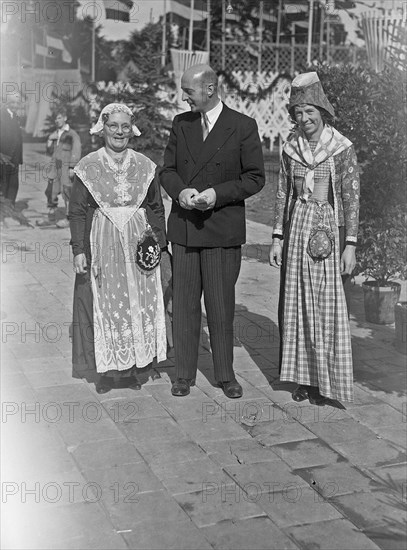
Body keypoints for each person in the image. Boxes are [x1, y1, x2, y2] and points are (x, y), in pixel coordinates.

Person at [160, 64, 265, 398]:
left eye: (188, 91)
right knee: (185, 305)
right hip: (186, 228)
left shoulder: (243, 126)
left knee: (220, 306)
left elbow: (255, 177)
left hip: (221, 229)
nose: (183, 97)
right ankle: (183, 374)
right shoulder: (181, 123)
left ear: (208, 88)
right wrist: (181, 192)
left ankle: (225, 374)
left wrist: (217, 194)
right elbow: (168, 170)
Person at [269, 72, 360, 405]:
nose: (303, 119)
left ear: (321, 110)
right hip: (297, 233)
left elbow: (351, 197)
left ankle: (328, 381)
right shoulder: (290, 149)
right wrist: (277, 238)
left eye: (309, 111)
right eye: (297, 113)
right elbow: (282, 194)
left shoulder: (341, 148)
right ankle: (304, 379)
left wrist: (350, 244)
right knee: (297, 304)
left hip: (328, 233)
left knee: (325, 305)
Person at [69, 103, 167, 394]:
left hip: (139, 243)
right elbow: (77, 211)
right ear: (103, 128)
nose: (119, 132)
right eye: (113, 126)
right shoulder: (88, 165)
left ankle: (135, 368)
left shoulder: (144, 165)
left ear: (132, 129)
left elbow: (155, 207)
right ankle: (108, 373)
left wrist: (159, 246)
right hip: (104, 243)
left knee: (140, 302)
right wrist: (79, 249)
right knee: (107, 302)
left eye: (125, 126)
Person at [42, 108, 82, 228]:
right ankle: (51, 216)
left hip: (66, 167)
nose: (56, 120)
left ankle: (68, 218)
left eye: (59, 118)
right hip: (55, 166)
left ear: (65, 118)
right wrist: (50, 139)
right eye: (55, 118)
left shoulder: (72, 134)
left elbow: (76, 150)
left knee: (67, 191)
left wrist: (72, 167)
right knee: (51, 190)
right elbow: (49, 152)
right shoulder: (56, 133)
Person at [0, 92, 23, 206]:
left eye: (17, 103)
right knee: (3, 183)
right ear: (7, 102)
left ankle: (10, 206)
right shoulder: (1, 115)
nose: (15, 105)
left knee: (13, 184)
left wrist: (19, 157)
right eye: (13, 102)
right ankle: (3, 210)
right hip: (4, 157)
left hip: (15, 158)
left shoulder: (16, 117)